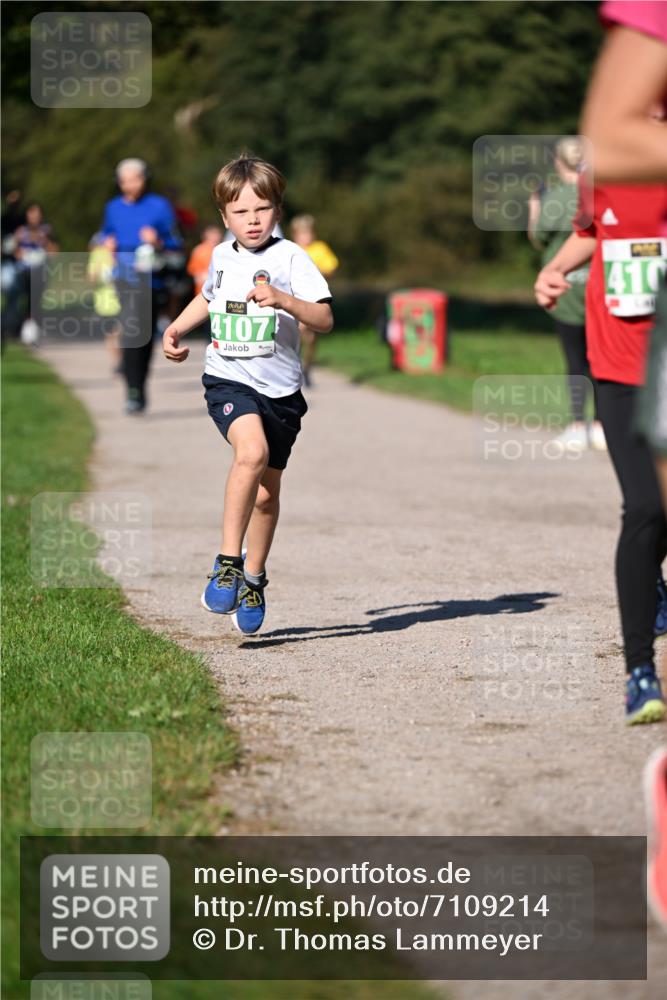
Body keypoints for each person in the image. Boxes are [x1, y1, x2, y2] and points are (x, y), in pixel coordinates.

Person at [162, 156, 333, 635]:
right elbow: (210, 297)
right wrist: (177, 327)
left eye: (262, 209)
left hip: (281, 391)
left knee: (265, 496)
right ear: (224, 217)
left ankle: (253, 579)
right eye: (240, 212)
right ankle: (227, 564)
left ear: (277, 209)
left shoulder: (293, 259)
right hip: (229, 378)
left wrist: (285, 301)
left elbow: (322, 319)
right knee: (250, 452)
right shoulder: (222, 256)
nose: (252, 220)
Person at [534, 173, 667, 725]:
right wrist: (555, 268)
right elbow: (592, 230)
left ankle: (650, 579)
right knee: (645, 507)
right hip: (618, 367)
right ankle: (641, 672)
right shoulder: (608, 175)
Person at [528, 139, 603, 452]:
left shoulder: (554, 197)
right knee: (603, 356)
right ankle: (601, 425)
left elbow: (539, 239)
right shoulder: (600, 191)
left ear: (560, 163)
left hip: (566, 287)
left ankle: (576, 425)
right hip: (599, 282)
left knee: (575, 359)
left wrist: (534, 210)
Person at [101, 158, 183, 414]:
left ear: (145, 179)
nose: (129, 185)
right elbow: (104, 234)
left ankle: (138, 382)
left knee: (143, 335)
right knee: (131, 329)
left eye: (134, 179)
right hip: (123, 276)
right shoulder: (113, 207)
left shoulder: (159, 206)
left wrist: (157, 241)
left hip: (152, 278)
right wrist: (107, 243)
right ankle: (133, 389)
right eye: (124, 181)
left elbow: (176, 243)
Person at [290, 214, 338, 387]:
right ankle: (295, 367)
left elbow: (331, 268)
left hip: (316, 299)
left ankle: (307, 367)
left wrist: (316, 270)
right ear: (295, 235)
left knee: (311, 339)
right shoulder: (291, 249)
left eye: (308, 233)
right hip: (295, 298)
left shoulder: (320, 248)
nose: (306, 237)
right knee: (302, 331)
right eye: (302, 233)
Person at [12, 202, 58, 344]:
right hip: (24, 271)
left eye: (37, 214)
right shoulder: (20, 232)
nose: (34, 217)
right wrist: (21, 251)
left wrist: (45, 242)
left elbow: (54, 252)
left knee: (36, 299)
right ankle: (23, 326)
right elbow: (14, 253)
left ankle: (35, 327)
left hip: (40, 271)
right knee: (25, 298)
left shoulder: (47, 231)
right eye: (31, 214)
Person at [87, 232, 122, 372]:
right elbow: (90, 278)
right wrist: (95, 274)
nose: (113, 242)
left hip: (124, 300)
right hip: (106, 303)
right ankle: (118, 362)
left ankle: (122, 361)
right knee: (111, 335)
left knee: (123, 332)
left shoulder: (123, 253)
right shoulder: (98, 255)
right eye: (110, 239)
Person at [187, 225, 223, 296]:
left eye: (217, 234)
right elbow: (196, 276)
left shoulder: (223, 250)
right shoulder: (199, 251)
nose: (215, 237)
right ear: (206, 235)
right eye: (212, 234)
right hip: (203, 293)